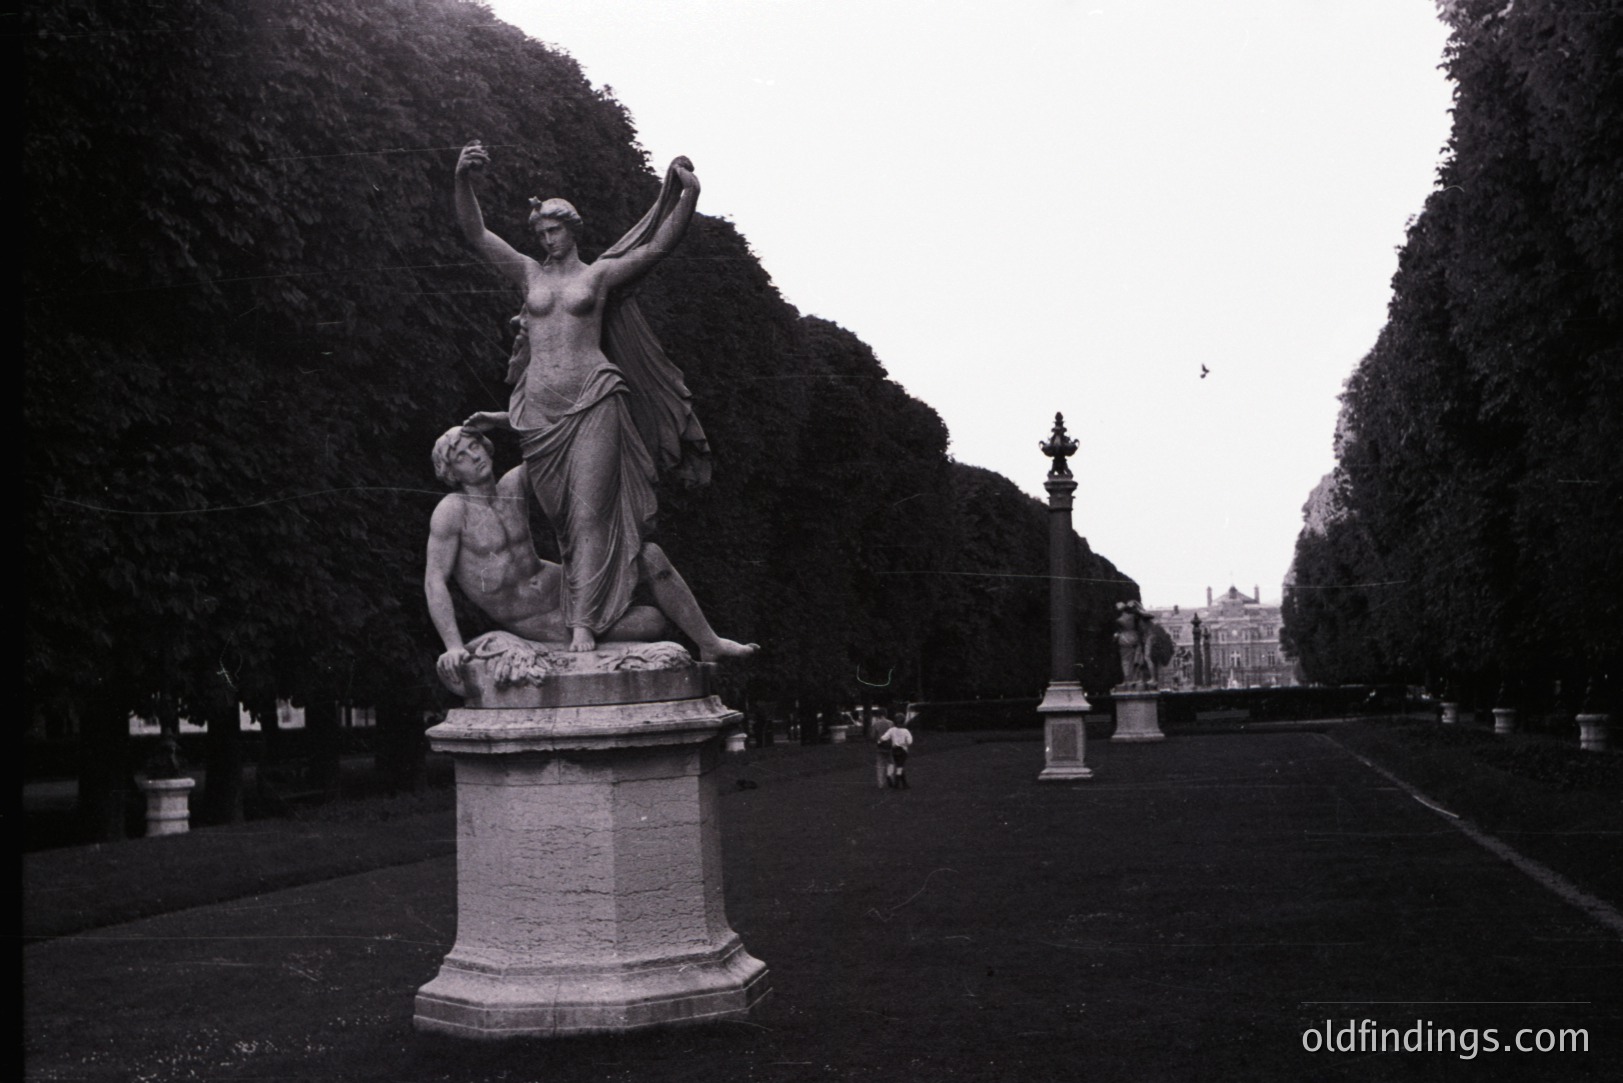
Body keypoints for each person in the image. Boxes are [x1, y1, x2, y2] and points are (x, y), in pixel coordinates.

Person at [453, 139, 724, 655]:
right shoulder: (529, 273)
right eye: (541, 232)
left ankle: (583, 625)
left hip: (596, 397)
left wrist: (687, 198)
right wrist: (463, 179)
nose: (547, 238)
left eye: (554, 230)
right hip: (541, 417)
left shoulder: (596, 275)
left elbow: (656, 248)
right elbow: (476, 233)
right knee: (563, 524)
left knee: (589, 515)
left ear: (572, 229)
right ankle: (594, 614)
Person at [424, 427, 753, 690]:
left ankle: (709, 642)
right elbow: (435, 580)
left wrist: (499, 419)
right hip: (541, 621)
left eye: (474, 445)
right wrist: (453, 645)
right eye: (461, 456)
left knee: (650, 555)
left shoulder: (513, 484)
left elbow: (553, 439)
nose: (474, 456)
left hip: (569, 587)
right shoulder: (452, 511)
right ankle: (591, 633)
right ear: (451, 472)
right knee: (652, 621)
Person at [879, 712, 913, 790]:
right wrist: (904, 743)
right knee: (900, 767)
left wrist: (879, 740)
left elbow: (884, 737)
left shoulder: (892, 730)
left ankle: (905, 784)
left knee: (899, 765)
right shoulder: (905, 731)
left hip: (894, 750)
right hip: (903, 750)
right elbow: (910, 741)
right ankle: (896, 784)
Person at [869, 708, 895, 790]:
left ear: (878, 715)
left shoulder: (876, 724)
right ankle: (889, 774)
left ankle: (880, 783)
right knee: (891, 762)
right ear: (886, 714)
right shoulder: (891, 723)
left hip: (880, 746)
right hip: (890, 746)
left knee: (880, 765)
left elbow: (872, 736)